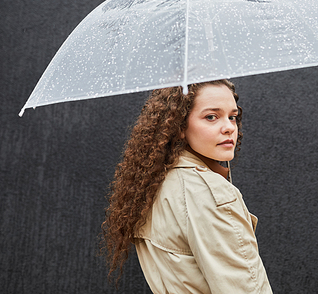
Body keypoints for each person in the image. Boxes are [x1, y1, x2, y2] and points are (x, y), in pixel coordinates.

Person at [102, 80, 272, 293]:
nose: (229, 127)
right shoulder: (209, 193)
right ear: (179, 126)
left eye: (233, 117)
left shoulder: (153, 184)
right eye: (211, 117)